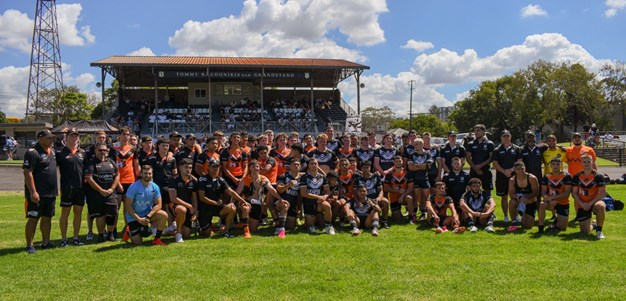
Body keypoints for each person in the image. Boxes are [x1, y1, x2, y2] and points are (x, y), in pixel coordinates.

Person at [23, 130, 58, 254]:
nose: (51, 140)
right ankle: (29, 245)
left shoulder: (52, 152)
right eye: (48, 138)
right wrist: (33, 192)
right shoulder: (33, 153)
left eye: (52, 138)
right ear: (40, 138)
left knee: (47, 218)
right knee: (33, 218)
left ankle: (45, 242)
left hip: (51, 193)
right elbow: (28, 172)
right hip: (37, 194)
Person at [197, 160, 250, 238]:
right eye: (213, 167)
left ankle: (226, 231)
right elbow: (202, 198)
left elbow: (231, 192)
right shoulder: (202, 180)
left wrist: (243, 201)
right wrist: (214, 203)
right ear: (208, 168)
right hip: (205, 208)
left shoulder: (221, 180)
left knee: (232, 208)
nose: (216, 169)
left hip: (217, 206)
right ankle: (202, 229)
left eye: (217, 167)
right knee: (207, 234)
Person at [55, 128, 86, 246]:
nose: (74, 138)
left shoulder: (82, 153)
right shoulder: (60, 153)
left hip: (80, 188)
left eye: (76, 136)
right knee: (65, 213)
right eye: (72, 136)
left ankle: (76, 238)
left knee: (78, 213)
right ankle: (64, 239)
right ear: (66, 137)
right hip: (67, 188)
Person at [236, 159, 284, 235]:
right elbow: (237, 193)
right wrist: (240, 201)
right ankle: (246, 231)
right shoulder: (245, 180)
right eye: (253, 166)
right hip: (247, 202)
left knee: (254, 229)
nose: (256, 168)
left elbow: (272, 190)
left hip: (258, 203)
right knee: (246, 208)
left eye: (257, 167)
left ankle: (244, 223)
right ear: (250, 168)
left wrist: (280, 199)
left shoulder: (264, 179)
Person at [84, 142, 120, 242]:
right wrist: (101, 190)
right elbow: (89, 178)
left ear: (107, 151)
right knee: (100, 215)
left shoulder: (111, 162)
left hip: (111, 193)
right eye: (100, 150)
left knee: (112, 214)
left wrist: (112, 189)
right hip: (97, 194)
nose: (102, 152)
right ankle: (100, 236)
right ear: (95, 151)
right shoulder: (91, 163)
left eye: (104, 150)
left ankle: (110, 234)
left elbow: (117, 175)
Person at [124, 165, 168, 246]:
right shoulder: (133, 187)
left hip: (147, 215)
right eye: (145, 173)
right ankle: (128, 231)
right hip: (134, 217)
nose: (147, 175)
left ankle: (157, 240)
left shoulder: (155, 187)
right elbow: (128, 206)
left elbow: (159, 205)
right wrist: (139, 219)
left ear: (152, 174)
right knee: (138, 243)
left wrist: (148, 216)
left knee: (163, 215)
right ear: (141, 174)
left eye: (149, 173)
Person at [113, 126, 140, 240]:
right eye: (124, 134)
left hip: (130, 181)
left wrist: (138, 179)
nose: (126, 137)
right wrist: (116, 181)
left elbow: (136, 166)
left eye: (128, 134)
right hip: (118, 181)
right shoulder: (114, 149)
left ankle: (127, 229)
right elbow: (112, 166)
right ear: (119, 136)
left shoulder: (133, 149)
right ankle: (112, 230)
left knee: (128, 208)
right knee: (116, 207)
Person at [571, 154, 606, 239]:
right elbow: (574, 193)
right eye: (584, 162)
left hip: (594, 202)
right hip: (582, 204)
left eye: (588, 161)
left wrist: (590, 203)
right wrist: (582, 204)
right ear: (581, 163)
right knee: (585, 231)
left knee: (600, 206)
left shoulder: (598, 176)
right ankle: (594, 225)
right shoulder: (577, 176)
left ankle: (599, 231)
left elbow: (602, 193)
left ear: (592, 162)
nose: (586, 164)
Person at [299, 158, 335, 234]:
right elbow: (304, 193)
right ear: (308, 166)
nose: (314, 165)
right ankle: (311, 224)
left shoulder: (322, 177)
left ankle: (328, 226)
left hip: (319, 202)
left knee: (327, 206)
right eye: (311, 164)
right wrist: (318, 197)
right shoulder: (304, 178)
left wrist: (324, 197)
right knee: (309, 226)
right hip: (308, 202)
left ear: (318, 165)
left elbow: (327, 191)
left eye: (315, 164)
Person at [492, 130, 521, 223]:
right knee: (504, 197)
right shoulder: (497, 150)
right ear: (501, 138)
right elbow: (495, 163)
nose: (506, 137)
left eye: (507, 136)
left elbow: (519, 161)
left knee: (515, 196)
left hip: (514, 176)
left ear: (510, 136)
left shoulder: (516, 148)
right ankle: (505, 216)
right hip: (502, 176)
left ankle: (515, 215)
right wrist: (504, 171)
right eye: (504, 136)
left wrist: (512, 170)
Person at [538, 158, 572, 234]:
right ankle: (540, 227)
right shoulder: (546, 177)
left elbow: (567, 193)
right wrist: (548, 199)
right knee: (542, 204)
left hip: (563, 203)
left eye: (557, 164)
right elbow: (543, 192)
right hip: (551, 203)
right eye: (553, 164)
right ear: (550, 165)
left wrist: (552, 198)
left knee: (563, 228)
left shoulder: (567, 176)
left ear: (561, 165)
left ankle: (555, 223)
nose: (555, 166)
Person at [168, 158, 198, 243]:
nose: (188, 170)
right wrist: (189, 206)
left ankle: (171, 231)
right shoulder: (173, 179)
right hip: (175, 207)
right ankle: (178, 234)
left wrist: (195, 211)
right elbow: (173, 198)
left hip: (189, 208)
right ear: (180, 168)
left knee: (187, 234)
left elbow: (194, 198)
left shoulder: (194, 181)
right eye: (186, 167)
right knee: (182, 209)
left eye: (190, 168)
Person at [507, 162, 539, 231]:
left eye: (522, 168)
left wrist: (527, 197)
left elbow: (536, 192)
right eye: (518, 169)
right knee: (512, 202)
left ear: (525, 168)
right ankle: (514, 222)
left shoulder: (532, 178)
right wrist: (520, 198)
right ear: (515, 171)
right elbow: (511, 194)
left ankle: (524, 217)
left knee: (527, 226)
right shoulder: (512, 180)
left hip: (530, 201)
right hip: (519, 200)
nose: (520, 170)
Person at [382, 157, 413, 223]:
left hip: (404, 196)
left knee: (409, 198)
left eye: (399, 161)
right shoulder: (389, 174)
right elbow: (385, 188)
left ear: (402, 161)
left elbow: (411, 187)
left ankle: (411, 218)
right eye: (396, 161)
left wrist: (402, 195)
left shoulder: (407, 173)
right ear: (394, 163)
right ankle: (397, 214)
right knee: (397, 219)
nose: (398, 163)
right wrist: (398, 191)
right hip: (394, 198)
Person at [406, 139, 431, 221]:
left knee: (426, 196)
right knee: (417, 195)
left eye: (416, 144)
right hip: (415, 178)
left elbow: (428, 166)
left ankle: (425, 211)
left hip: (425, 178)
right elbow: (410, 168)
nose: (415, 146)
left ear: (421, 144)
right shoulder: (412, 154)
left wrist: (416, 165)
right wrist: (422, 166)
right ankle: (417, 211)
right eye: (414, 144)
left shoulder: (427, 153)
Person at [276, 158, 303, 230]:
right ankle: (280, 228)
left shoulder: (302, 178)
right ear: (290, 166)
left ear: (300, 167)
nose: (296, 166)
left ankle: (284, 220)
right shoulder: (284, 176)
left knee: (291, 227)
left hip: (293, 204)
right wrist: (288, 185)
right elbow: (279, 189)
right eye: (294, 164)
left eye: (298, 165)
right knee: (285, 205)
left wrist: (299, 207)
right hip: (282, 201)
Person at [466, 124, 494, 192]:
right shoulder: (471, 144)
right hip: (474, 170)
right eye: (475, 131)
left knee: (487, 192)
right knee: (471, 191)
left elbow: (491, 157)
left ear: (483, 132)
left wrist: (480, 166)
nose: (476, 132)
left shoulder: (489, 143)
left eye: (478, 130)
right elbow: (468, 157)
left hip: (486, 170)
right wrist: (475, 168)